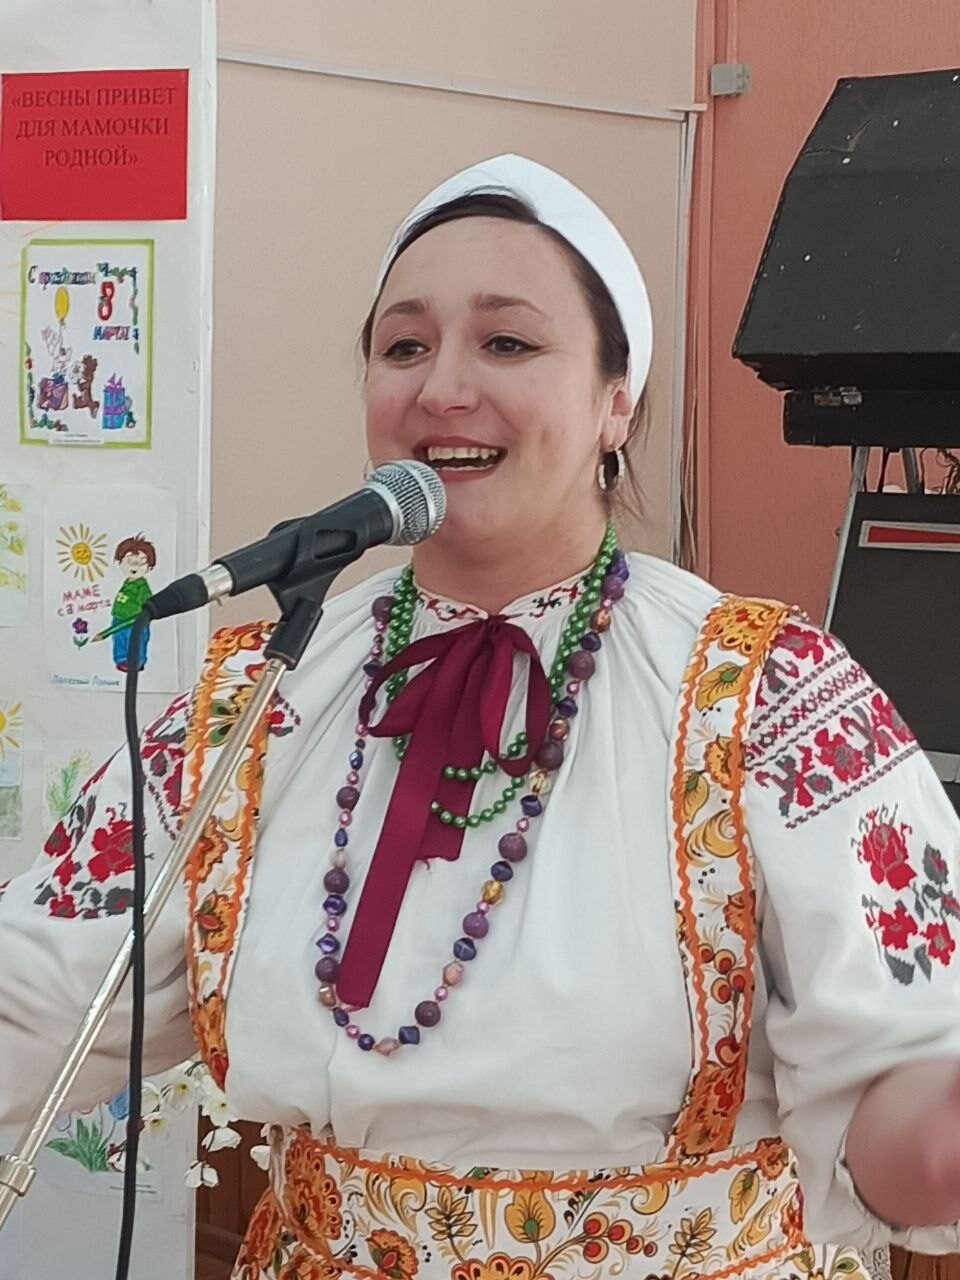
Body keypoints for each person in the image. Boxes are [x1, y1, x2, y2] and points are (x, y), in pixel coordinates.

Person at [2, 154, 960, 1280]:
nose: (443, 388)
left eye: (507, 343)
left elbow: (907, 1098)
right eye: (404, 346)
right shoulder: (252, 700)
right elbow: (36, 999)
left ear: (617, 399)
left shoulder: (769, 694)